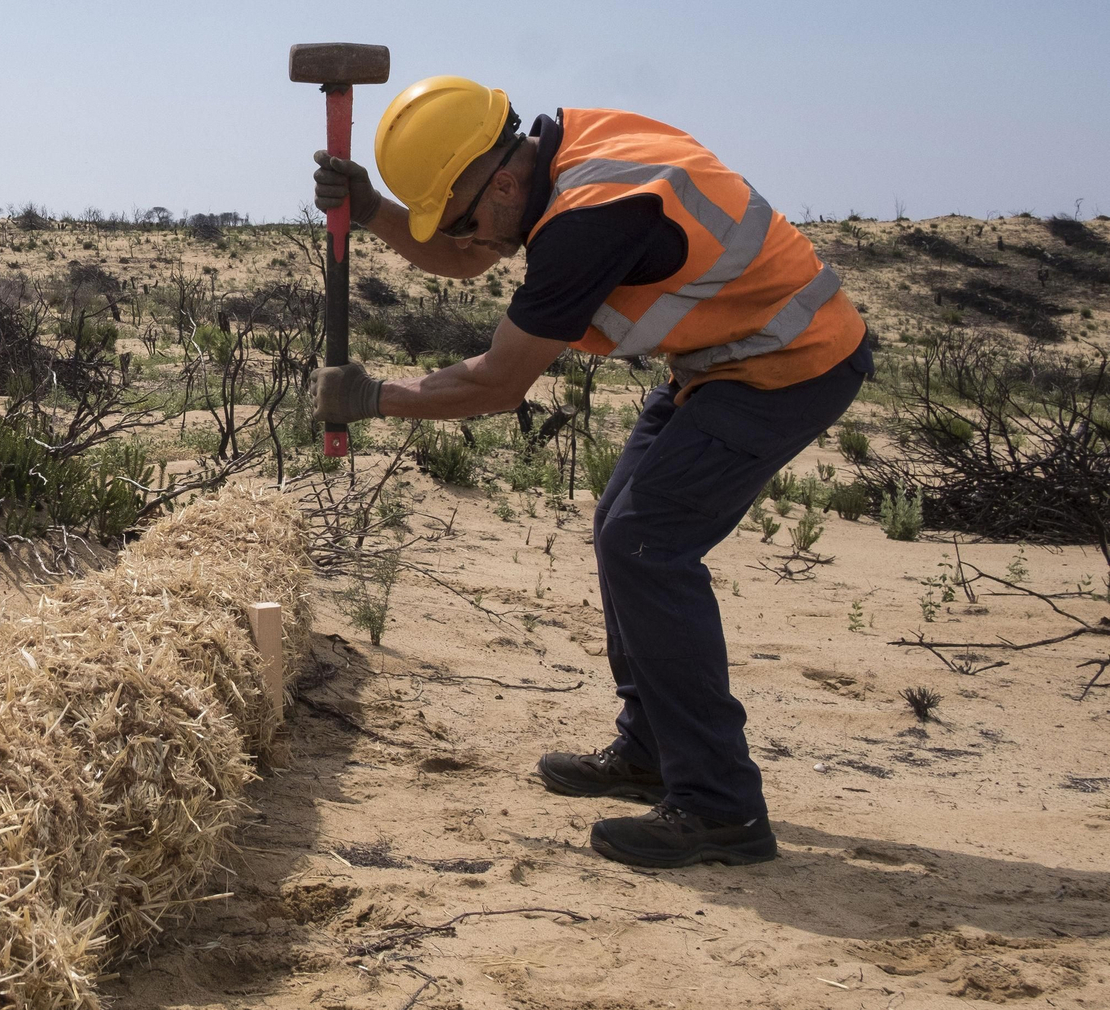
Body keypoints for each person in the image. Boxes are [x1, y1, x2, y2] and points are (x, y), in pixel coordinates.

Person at [311, 76, 873, 868]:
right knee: (622, 527)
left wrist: (374, 398)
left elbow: (499, 382)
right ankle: (650, 749)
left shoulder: (589, 220)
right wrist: (373, 210)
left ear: (505, 180)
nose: (472, 239)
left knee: (648, 542)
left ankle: (720, 805)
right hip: (723, 360)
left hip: (792, 362)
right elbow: (474, 255)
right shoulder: (566, 144)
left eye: (467, 217)